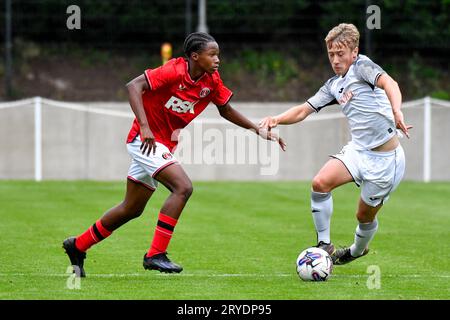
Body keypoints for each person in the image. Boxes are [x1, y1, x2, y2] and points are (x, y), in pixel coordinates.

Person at [63, 32, 286, 276]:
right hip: (144, 141)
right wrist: (145, 126)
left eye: (218, 55)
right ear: (195, 56)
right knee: (183, 187)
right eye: (212, 55)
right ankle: (155, 254)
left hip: (161, 146)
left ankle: (78, 245)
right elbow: (133, 86)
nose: (217, 60)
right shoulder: (174, 70)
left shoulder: (211, 80)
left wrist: (258, 130)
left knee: (131, 208)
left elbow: (226, 109)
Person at [259, 23, 412, 265]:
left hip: (385, 160)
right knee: (320, 183)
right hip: (358, 151)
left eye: (340, 53)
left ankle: (357, 250)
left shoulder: (363, 67)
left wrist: (397, 110)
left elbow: (390, 84)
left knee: (363, 216)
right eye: (331, 54)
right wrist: (276, 119)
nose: (335, 59)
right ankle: (324, 245)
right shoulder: (334, 85)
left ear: (354, 51)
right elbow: (303, 110)